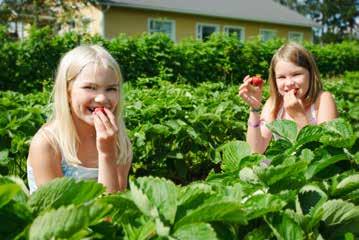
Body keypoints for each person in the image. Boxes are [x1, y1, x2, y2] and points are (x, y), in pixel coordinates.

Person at [27, 45, 132, 194]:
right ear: (67, 92)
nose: (101, 98)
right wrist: (107, 153)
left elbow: (114, 208)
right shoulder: (47, 144)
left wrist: (107, 152)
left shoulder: (119, 141)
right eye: (90, 87)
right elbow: (58, 214)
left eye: (111, 89)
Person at [238, 42, 337, 154]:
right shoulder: (274, 104)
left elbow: (325, 153)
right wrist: (254, 109)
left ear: (310, 73)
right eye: (281, 77)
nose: (289, 83)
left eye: (296, 74)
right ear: (275, 80)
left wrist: (298, 116)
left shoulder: (323, 100)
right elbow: (255, 150)